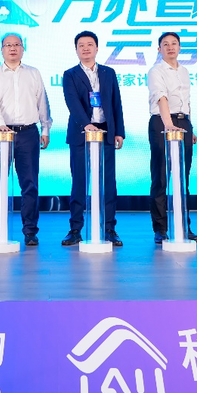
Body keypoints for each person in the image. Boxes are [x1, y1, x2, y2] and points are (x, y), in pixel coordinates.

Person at [0, 32, 52, 245]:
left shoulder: (33, 73)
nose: (12, 48)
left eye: (17, 44)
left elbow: (42, 102)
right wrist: (0, 124)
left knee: (30, 183)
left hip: (28, 133)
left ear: (23, 48)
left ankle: (30, 231)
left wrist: (45, 129)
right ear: (2, 49)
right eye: (8, 45)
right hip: (0, 134)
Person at [61, 31, 125, 247]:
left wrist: (119, 131)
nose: (86, 48)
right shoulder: (70, 74)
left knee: (109, 183)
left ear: (97, 48)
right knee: (79, 181)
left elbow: (116, 103)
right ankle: (75, 229)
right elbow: (72, 102)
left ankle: (109, 229)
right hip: (81, 134)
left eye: (90, 44)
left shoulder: (108, 72)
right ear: (76, 50)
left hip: (105, 133)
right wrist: (85, 124)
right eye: (81, 45)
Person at [147, 32, 197, 245]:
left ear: (179, 47)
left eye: (174, 43)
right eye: (165, 44)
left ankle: (183, 226)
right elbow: (161, 98)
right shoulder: (156, 71)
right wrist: (168, 124)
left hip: (183, 123)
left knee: (182, 179)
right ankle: (160, 229)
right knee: (161, 178)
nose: (170, 47)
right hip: (162, 123)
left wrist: (190, 127)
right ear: (159, 49)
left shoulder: (184, 71)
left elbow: (186, 102)